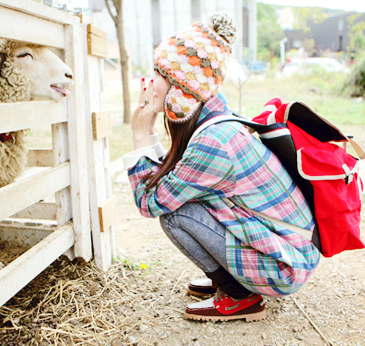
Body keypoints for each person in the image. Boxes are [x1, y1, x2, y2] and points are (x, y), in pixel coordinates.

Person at [122, 13, 320, 322]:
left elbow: (151, 203)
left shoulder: (214, 142)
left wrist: (138, 136)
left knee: (173, 216)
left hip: (283, 266)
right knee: (180, 203)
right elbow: (174, 180)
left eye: (160, 73)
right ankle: (231, 278)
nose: (151, 81)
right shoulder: (216, 118)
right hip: (288, 251)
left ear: (181, 85)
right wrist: (148, 134)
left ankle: (241, 296)